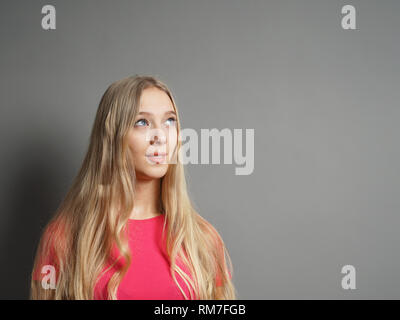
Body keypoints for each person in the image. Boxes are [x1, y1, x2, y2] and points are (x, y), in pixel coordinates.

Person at [30, 75, 236, 300]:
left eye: (169, 121)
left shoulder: (204, 240)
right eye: (142, 122)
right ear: (113, 137)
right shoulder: (63, 239)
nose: (160, 136)